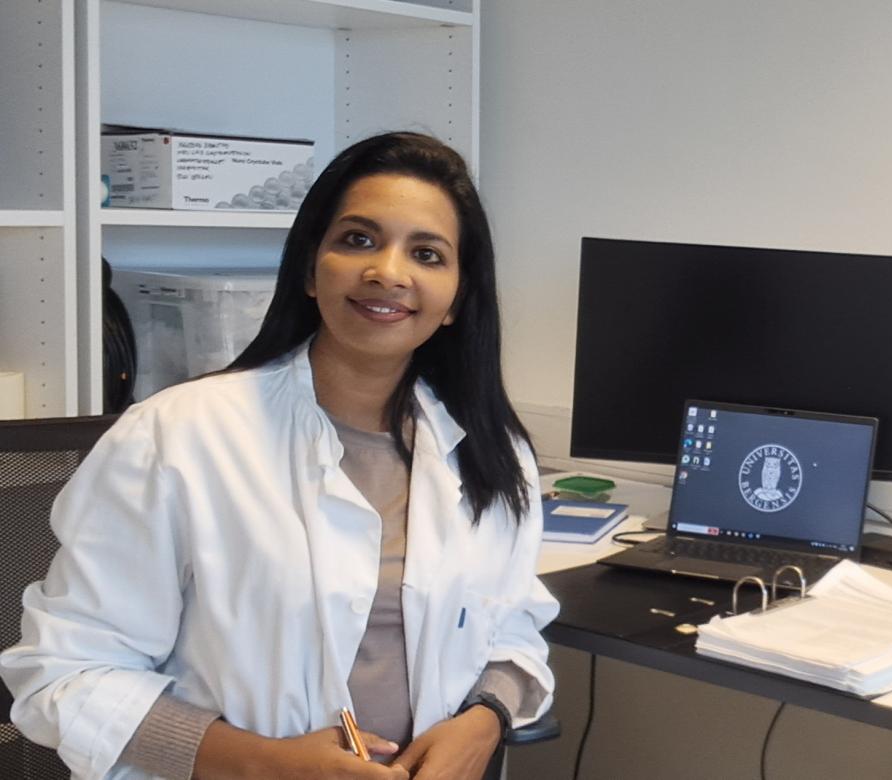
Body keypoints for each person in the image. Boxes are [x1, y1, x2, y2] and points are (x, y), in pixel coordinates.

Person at [0, 132, 558, 780]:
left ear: (457, 297)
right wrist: (265, 764)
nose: (388, 272)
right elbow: (64, 675)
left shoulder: (491, 452)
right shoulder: (177, 437)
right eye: (359, 239)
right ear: (310, 271)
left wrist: (485, 719)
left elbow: (513, 624)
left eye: (427, 253)